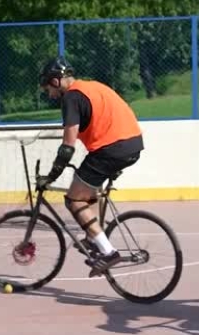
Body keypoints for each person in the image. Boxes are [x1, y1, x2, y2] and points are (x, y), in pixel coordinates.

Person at [35, 56, 144, 276]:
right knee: (87, 190)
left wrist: (51, 176)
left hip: (111, 149)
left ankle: (108, 251)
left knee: (74, 200)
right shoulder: (91, 86)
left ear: (56, 81)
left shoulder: (72, 98)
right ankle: (94, 237)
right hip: (132, 144)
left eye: (48, 88)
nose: (50, 94)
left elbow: (68, 146)